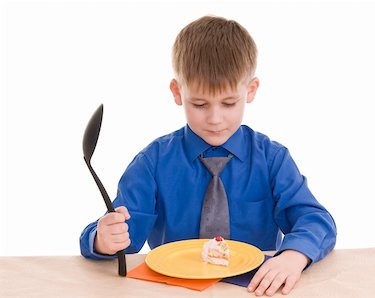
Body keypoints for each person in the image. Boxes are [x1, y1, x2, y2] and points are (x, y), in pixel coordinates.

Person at [80, 15, 337, 296]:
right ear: (178, 92)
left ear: (250, 91)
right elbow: (122, 232)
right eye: (200, 104)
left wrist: (293, 256)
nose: (215, 119)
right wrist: (103, 240)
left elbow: (315, 219)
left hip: (255, 289)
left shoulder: (272, 158)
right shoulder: (152, 163)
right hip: (175, 290)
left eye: (228, 103)